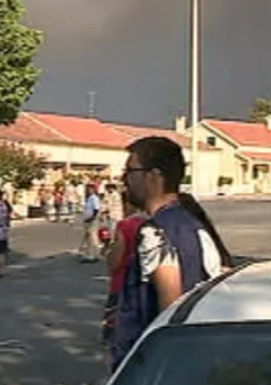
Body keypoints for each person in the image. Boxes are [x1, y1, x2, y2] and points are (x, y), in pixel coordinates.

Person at [112, 136, 232, 371]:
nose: (124, 180)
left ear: (153, 176)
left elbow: (170, 308)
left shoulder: (155, 232)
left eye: (130, 171)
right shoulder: (192, 223)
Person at [101, 193, 144, 361]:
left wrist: (109, 250)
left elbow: (115, 260)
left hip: (121, 285)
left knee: (115, 337)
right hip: (143, 286)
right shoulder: (151, 223)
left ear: (128, 205)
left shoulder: (126, 226)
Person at [78, 184, 101, 262]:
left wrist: (92, 218)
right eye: (87, 189)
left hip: (92, 220)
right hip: (87, 219)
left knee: (93, 237)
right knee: (88, 237)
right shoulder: (88, 198)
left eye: (89, 189)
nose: (87, 191)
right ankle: (90, 254)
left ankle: (93, 255)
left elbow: (96, 209)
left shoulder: (94, 198)